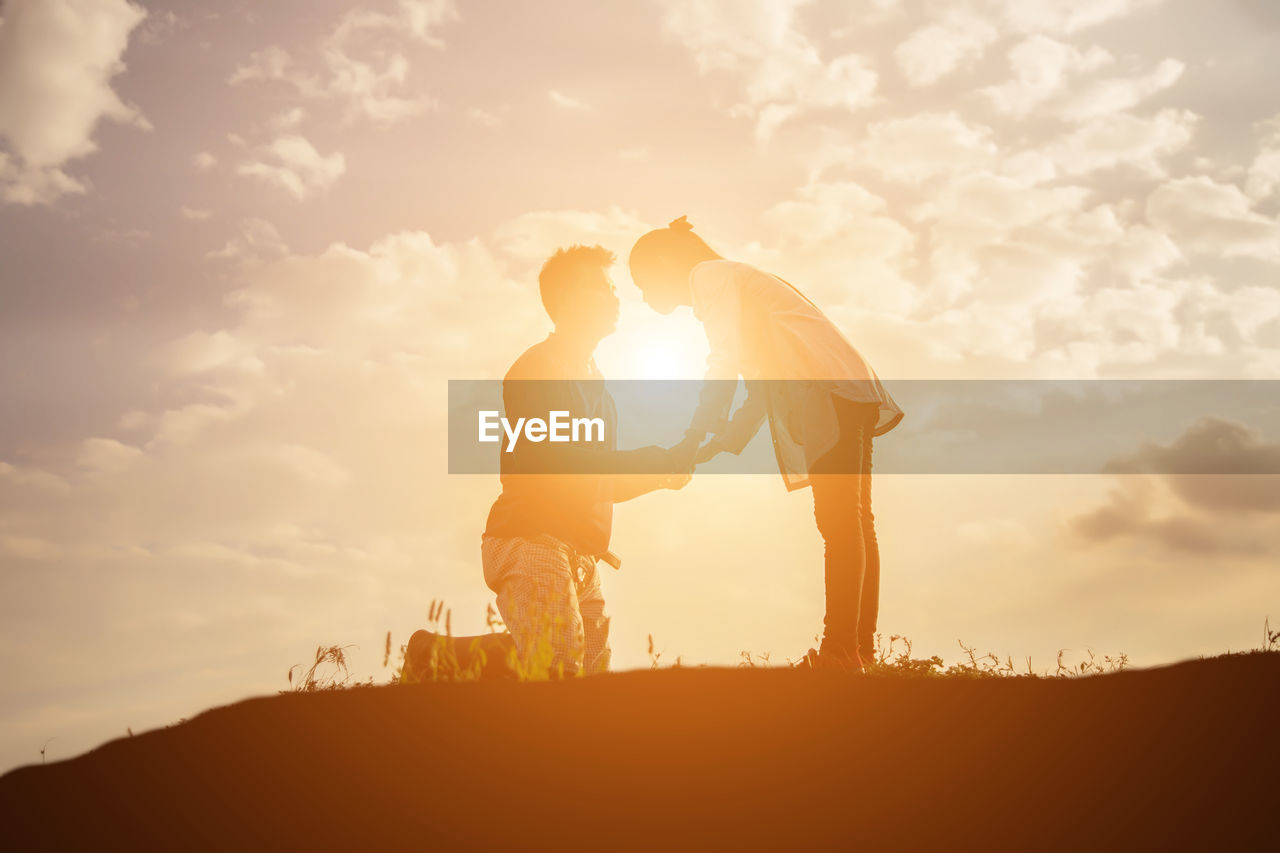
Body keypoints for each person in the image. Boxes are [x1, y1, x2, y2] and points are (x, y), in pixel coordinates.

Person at [629, 217, 904, 671]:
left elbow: (725, 360)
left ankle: (840, 652)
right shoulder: (741, 278)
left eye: (642, 282)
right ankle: (859, 650)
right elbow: (760, 388)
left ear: (663, 262)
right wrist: (721, 440)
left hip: (826, 391)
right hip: (852, 389)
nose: (642, 294)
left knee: (838, 520)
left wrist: (694, 434)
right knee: (856, 520)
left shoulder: (709, 276)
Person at [482, 244, 689, 676]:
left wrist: (660, 474)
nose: (615, 297)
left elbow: (598, 479)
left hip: (581, 556)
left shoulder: (601, 390)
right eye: (600, 287)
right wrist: (645, 460)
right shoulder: (535, 369)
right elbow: (547, 459)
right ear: (565, 301)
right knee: (560, 673)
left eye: (613, 287)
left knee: (593, 680)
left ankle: (469, 660)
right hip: (531, 540)